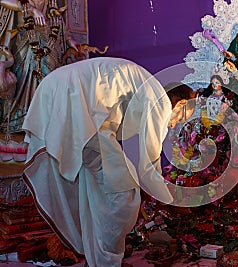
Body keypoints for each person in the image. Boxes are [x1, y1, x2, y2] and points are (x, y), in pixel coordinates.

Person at [22, 57, 196, 267]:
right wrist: (170, 200)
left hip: (58, 92)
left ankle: (96, 258)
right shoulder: (160, 101)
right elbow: (150, 162)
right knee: (124, 192)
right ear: (181, 103)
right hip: (75, 103)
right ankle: (107, 261)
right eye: (183, 117)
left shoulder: (145, 86)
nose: (176, 124)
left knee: (97, 187)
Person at [0, 0, 79, 133]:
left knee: (49, 78)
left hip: (48, 42)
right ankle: (21, 119)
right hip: (25, 39)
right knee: (23, 77)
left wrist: (68, 38)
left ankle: (47, 119)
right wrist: (31, 9)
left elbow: (55, 15)